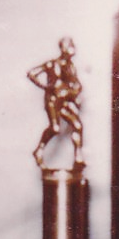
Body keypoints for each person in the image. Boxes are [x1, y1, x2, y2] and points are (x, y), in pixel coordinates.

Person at [27, 37, 85, 168]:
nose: (72, 49)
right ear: (63, 48)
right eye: (70, 46)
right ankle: (39, 150)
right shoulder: (52, 64)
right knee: (55, 128)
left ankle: (78, 157)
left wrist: (74, 93)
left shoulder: (70, 67)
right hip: (53, 101)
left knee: (77, 125)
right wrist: (46, 87)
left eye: (72, 46)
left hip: (63, 102)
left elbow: (77, 84)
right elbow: (31, 74)